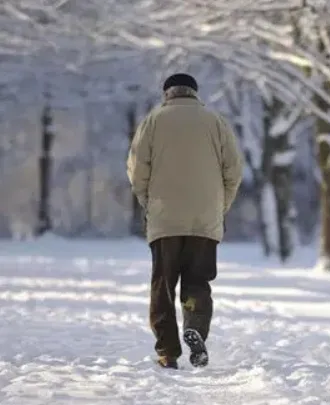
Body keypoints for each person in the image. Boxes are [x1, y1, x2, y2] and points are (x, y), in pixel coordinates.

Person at [126, 73, 243, 369]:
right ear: (194, 93)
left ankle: (167, 351)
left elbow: (137, 170)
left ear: (167, 94)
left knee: (163, 285)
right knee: (198, 281)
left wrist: (149, 203)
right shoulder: (215, 122)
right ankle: (195, 328)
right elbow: (234, 171)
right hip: (204, 219)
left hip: (164, 219)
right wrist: (219, 207)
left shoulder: (152, 122)